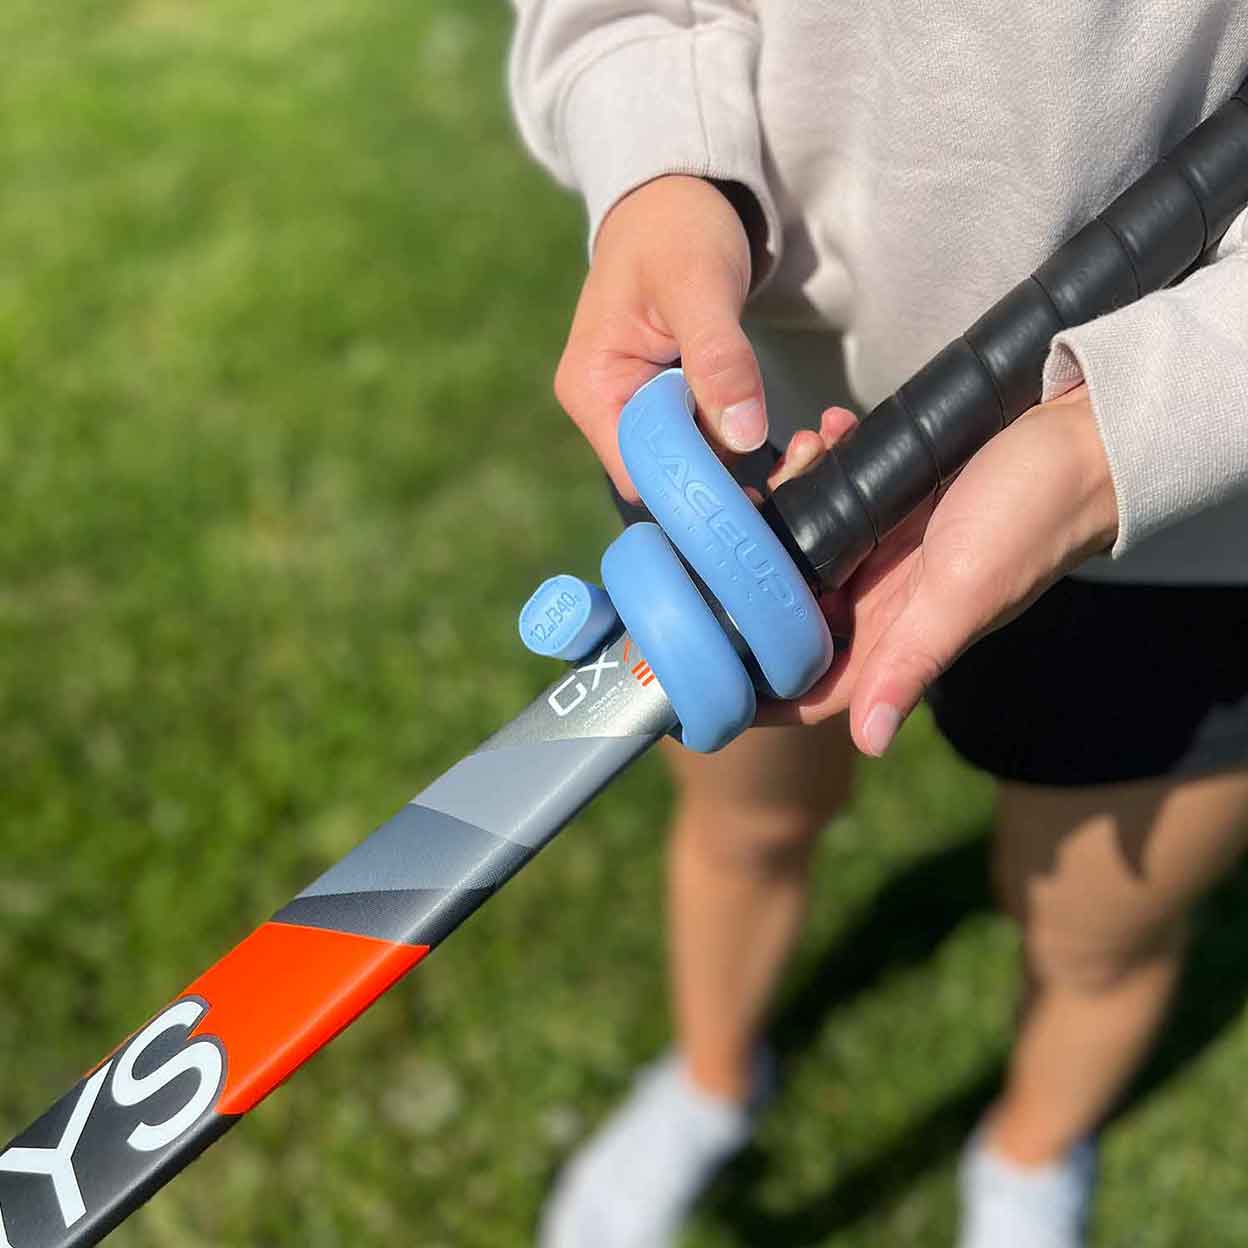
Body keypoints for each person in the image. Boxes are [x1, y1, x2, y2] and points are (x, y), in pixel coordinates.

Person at [508, 5, 1248, 1245]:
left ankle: (1028, 1157)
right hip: (767, 434)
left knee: (1098, 932)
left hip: (1189, 502)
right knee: (743, 825)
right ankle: (711, 1080)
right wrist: (660, 163)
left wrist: (1117, 438)